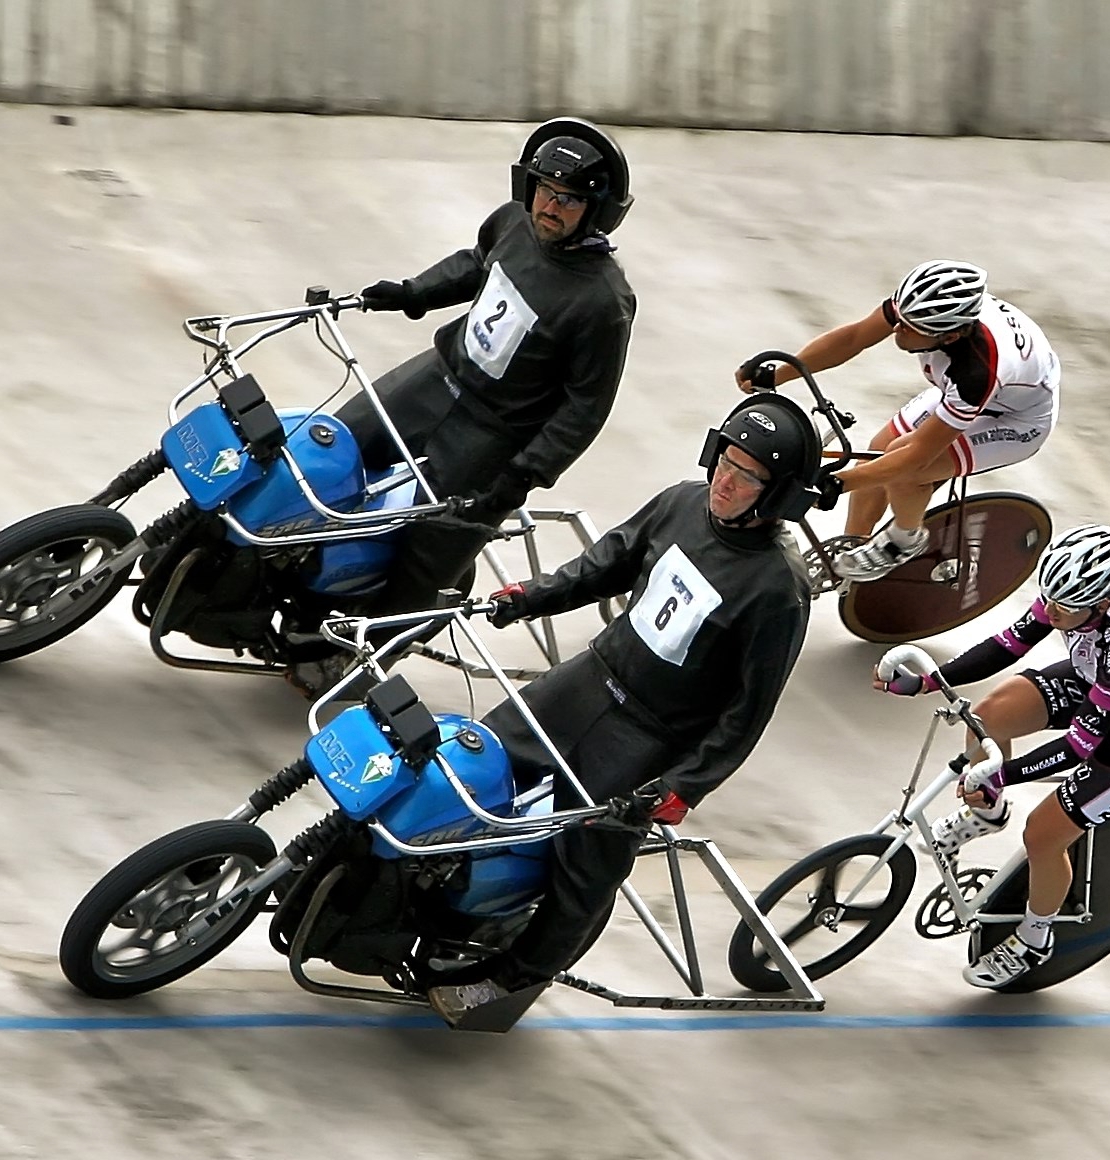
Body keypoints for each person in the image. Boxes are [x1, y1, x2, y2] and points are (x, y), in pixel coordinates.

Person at [426, 395, 826, 1022]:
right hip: (588, 680)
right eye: (727, 459)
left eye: (750, 475)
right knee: (467, 759)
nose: (727, 479)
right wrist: (527, 597)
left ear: (778, 495)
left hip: (646, 736)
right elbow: (605, 564)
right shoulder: (681, 503)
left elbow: (747, 711)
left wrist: (682, 788)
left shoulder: (778, 589)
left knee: (587, 859)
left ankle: (513, 980)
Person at [294, 118, 638, 696]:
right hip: (434, 379)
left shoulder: (603, 303)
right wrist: (411, 293)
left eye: (569, 198)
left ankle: (361, 659)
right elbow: (475, 264)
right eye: (543, 189)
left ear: (597, 210)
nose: (550, 206)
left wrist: (520, 479)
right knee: (325, 449)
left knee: (430, 554)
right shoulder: (514, 224)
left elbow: (584, 409)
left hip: (489, 433)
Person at [873, 524, 1110, 988]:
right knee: (989, 716)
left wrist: (1003, 774)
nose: (1048, 612)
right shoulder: (1071, 594)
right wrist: (930, 681)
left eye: (1061, 607)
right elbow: (1008, 645)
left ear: (1102, 603)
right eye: (1045, 598)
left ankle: (1035, 938)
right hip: (1105, 685)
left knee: (1045, 834)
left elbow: (1079, 746)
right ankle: (987, 817)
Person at [736, 260, 1061, 583]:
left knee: (907, 471)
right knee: (879, 450)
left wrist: (839, 483)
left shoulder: (975, 374)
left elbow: (915, 457)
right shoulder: (922, 309)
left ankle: (905, 538)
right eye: (899, 318)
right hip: (971, 390)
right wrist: (777, 374)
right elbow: (854, 338)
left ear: (950, 336)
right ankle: (850, 550)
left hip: (1017, 420)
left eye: (909, 327)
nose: (896, 328)